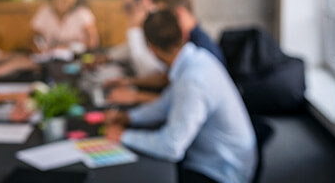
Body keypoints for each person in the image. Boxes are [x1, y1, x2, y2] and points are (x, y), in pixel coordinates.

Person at [105, 10, 256, 183]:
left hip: (221, 172)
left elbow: (172, 146)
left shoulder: (193, 80)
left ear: (151, 48)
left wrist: (123, 136)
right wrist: (131, 118)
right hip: (221, 160)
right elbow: (166, 104)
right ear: (182, 33)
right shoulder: (196, 59)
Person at [105, 0, 226, 105]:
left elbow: (182, 100)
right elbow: (167, 78)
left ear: (179, 14)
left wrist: (137, 97)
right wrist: (130, 82)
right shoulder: (189, 44)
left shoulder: (201, 51)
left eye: (166, 18)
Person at [30, 0, 99, 52]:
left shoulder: (82, 13)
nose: (62, 3)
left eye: (66, 1)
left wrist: (70, 47)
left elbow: (93, 40)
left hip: (77, 56)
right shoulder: (44, 11)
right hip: (50, 57)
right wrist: (39, 50)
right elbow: (32, 37)